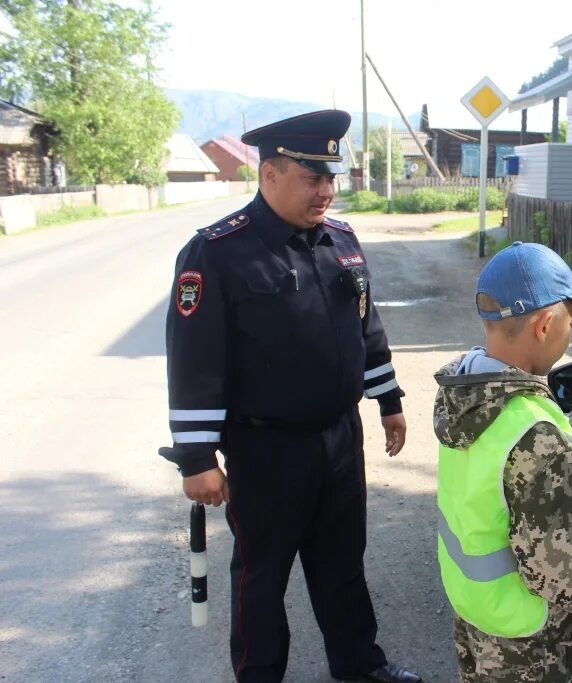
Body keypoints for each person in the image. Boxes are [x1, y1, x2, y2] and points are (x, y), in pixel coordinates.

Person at [158, 110, 420, 683]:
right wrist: (197, 459)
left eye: (330, 178)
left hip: (339, 440)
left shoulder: (342, 242)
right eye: (312, 178)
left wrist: (389, 400)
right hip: (265, 449)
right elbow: (193, 361)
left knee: (342, 567)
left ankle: (359, 667)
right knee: (262, 578)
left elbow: (366, 329)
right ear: (270, 173)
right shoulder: (217, 253)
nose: (326, 190)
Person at [433, 241, 572, 681]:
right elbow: (567, 577)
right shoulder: (534, 433)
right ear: (546, 323)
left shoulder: (467, 395)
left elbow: (507, 468)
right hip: (523, 644)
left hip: (477, 611)